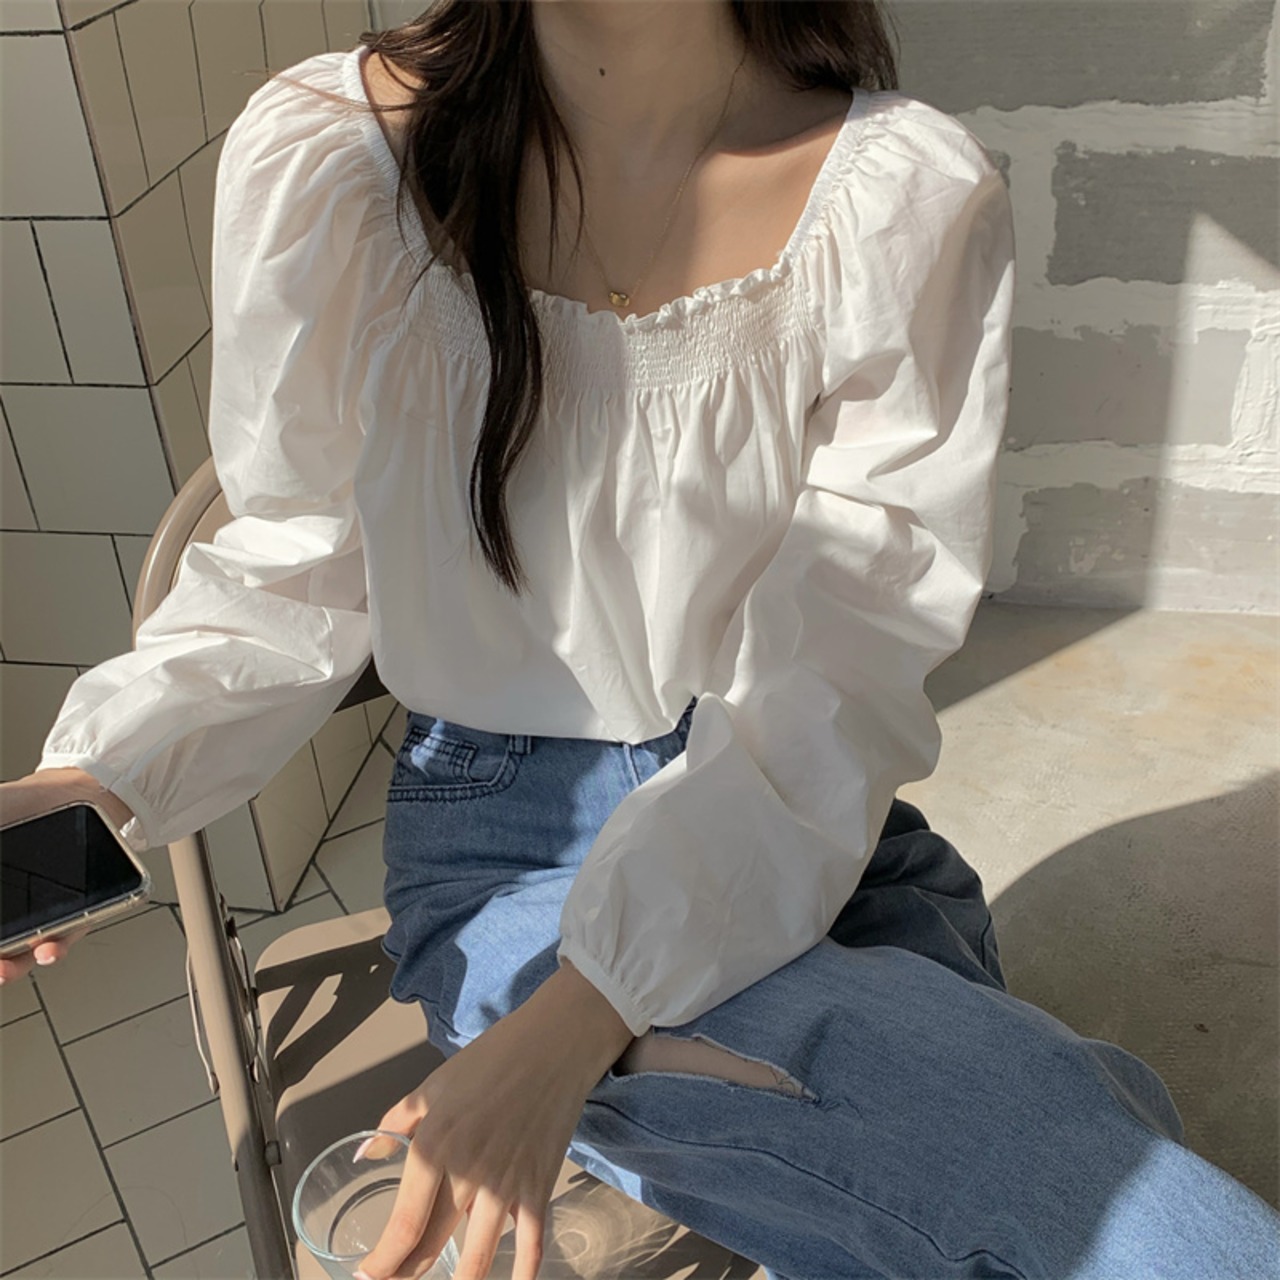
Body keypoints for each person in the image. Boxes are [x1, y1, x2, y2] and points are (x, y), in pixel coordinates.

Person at [4, 2, 1278, 1278]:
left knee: (1046, 1168)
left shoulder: (899, 200)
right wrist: (97, 777)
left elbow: (838, 669)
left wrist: (575, 1027)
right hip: (509, 856)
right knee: (1066, 1175)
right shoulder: (333, 157)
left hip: (802, 823)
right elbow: (299, 562)